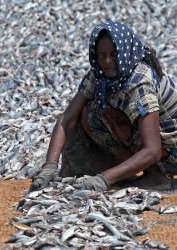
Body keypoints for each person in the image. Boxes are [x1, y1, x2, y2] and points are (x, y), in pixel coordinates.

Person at [29, 21, 177, 192]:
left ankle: (156, 177)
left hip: (171, 153)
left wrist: (103, 179)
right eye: (101, 55)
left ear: (126, 52)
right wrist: (49, 166)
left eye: (114, 54)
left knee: (106, 114)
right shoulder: (99, 74)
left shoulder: (139, 84)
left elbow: (152, 150)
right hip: (155, 147)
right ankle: (125, 171)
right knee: (91, 112)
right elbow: (67, 118)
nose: (107, 61)